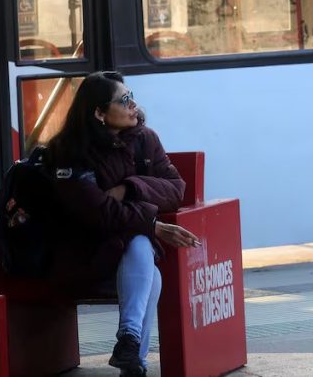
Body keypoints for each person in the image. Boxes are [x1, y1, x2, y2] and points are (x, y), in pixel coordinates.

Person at [47, 71, 199, 376]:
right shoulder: (69, 153)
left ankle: (130, 349)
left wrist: (131, 187)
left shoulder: (144, 139)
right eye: (125, 100)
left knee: (143, 254)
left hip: (127, 256)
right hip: (83, 255)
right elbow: (99, 212)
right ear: (99, 113)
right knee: (146, 259)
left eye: (132, 97)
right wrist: (152, 224)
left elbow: (176, 189)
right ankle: (131, 351)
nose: (134, 105)